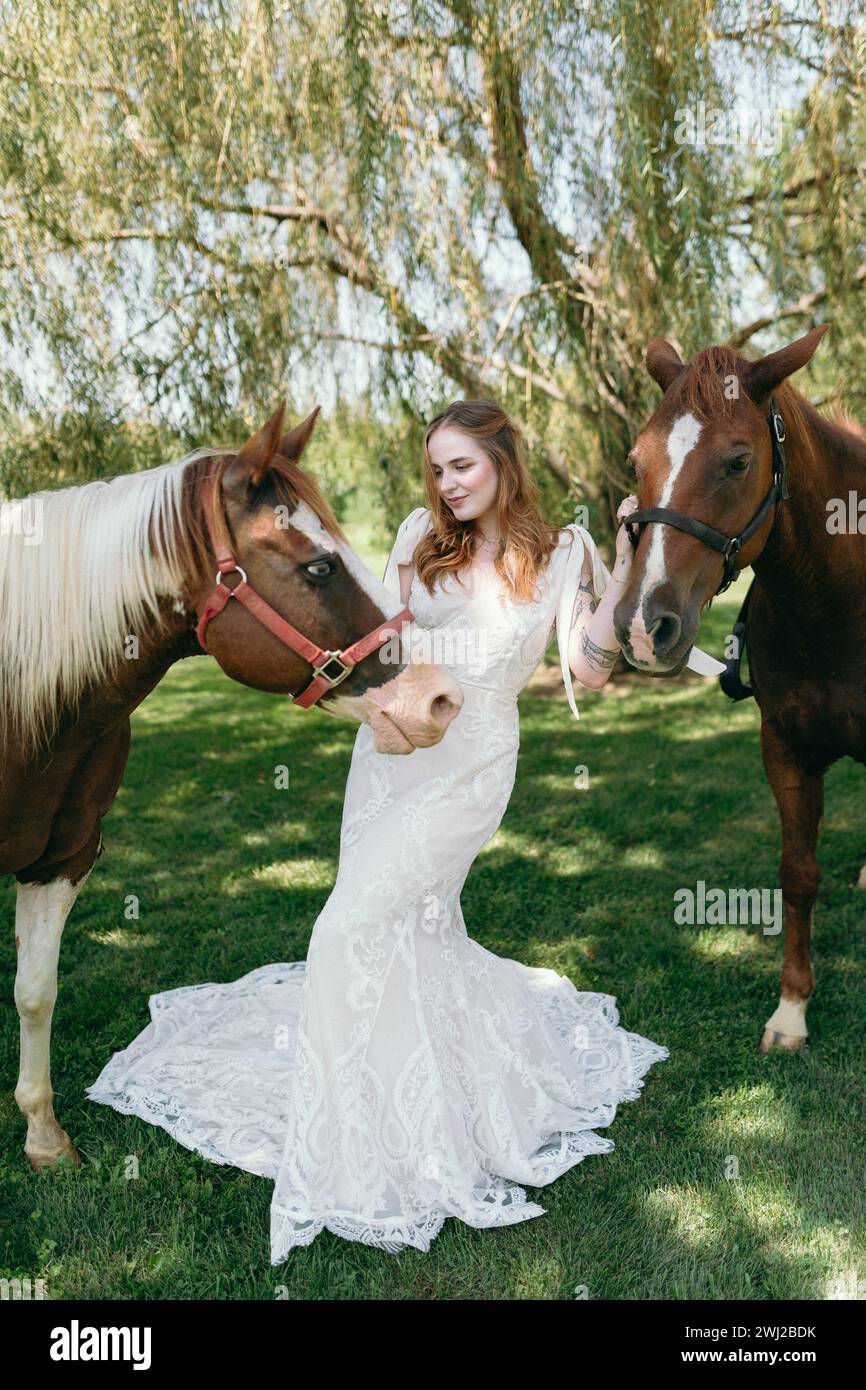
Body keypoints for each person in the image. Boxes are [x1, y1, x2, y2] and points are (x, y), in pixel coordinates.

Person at [87, 399, 723, 1262]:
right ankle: (383, 1072)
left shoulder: (561, 548)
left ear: (503, 458)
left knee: (347, 926)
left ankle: (360, 1135)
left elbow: (588, 667)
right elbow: (380, 641)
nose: (448, 484)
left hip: (471, 772)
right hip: (388, 759)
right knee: (395, 932)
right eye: (438, 468)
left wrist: (617, 578)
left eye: (463, 465)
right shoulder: (416, 536)